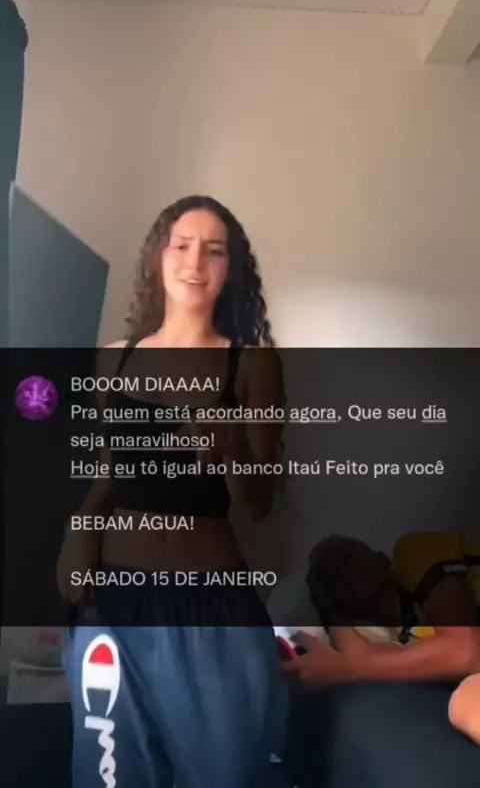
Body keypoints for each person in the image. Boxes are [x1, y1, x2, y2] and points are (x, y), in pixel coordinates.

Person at [56, 195, 290, 788]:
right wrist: (79, 530)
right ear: (158, 257)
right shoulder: (113, 360)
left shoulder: (252, 363)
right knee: (112, 774)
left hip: (212, 612)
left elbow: (260, 503)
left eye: (214, 250)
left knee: (224, 774)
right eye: (182, 245)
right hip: (113, 604)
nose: (195, 262)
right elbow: (109, 474)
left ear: (231, 269)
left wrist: (233, 444)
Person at [277, 532, 480, 686]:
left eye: (346, 559)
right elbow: (357, 656)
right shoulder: (399, 641)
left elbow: (468, 650)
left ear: (382, 558)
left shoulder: (413, 551)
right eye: (330, 581)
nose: (340, 574)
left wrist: (350, 668)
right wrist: (328, 607)